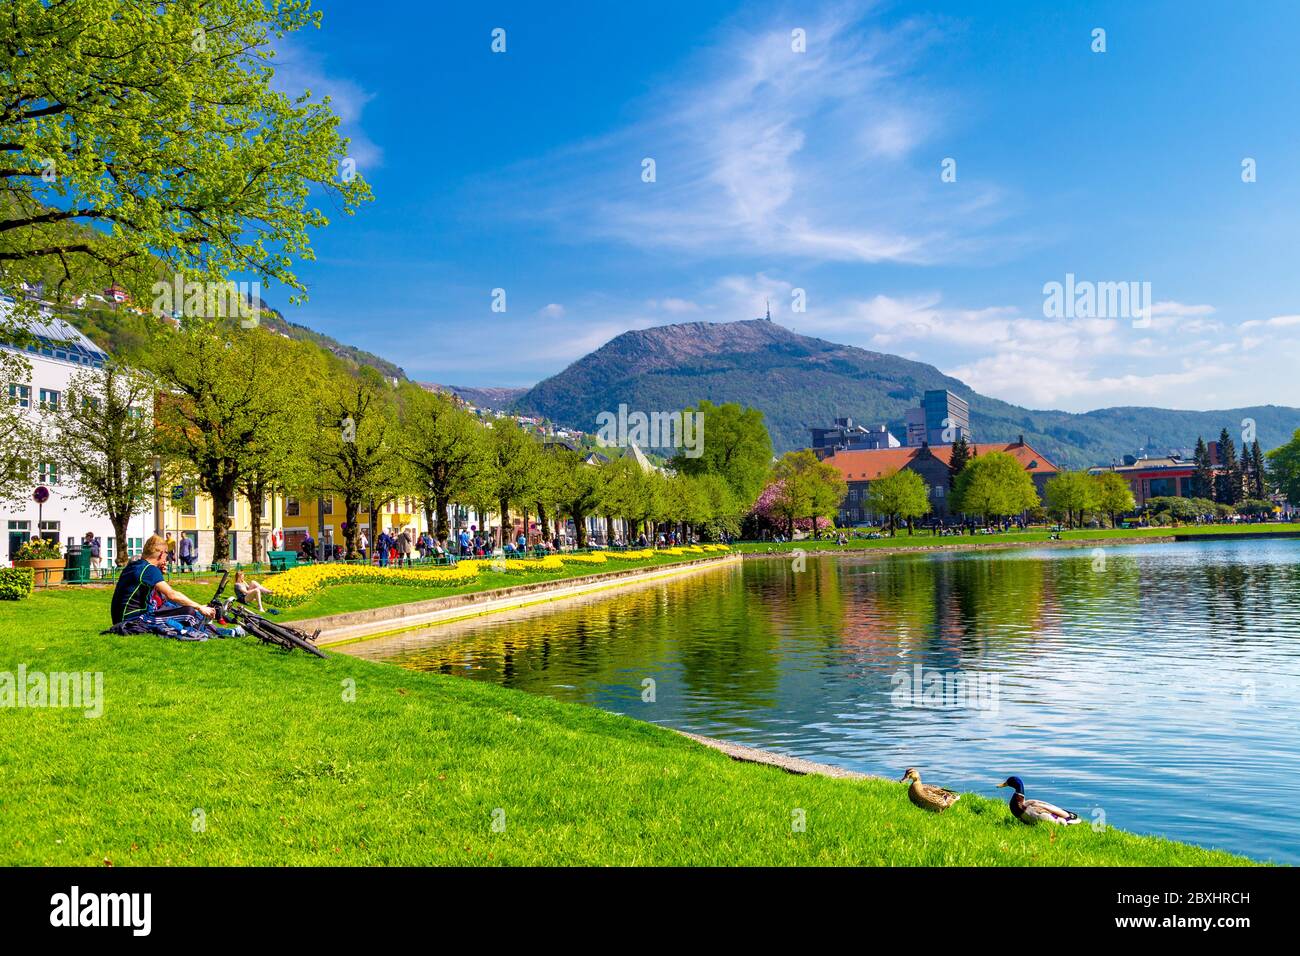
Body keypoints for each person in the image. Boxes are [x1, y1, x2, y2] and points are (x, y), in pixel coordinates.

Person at [108, 534, 216, 630]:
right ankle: (211, 627)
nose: (166, 557)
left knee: (176, 607)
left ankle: (206, 623)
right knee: (189, 613)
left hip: (120, 619)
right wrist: (199, 607)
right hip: (133, 620)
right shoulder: (149, 569)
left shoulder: (135, 565)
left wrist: (158, 572)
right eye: (166, 553)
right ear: (161, 554)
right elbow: (172, 594)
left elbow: (157, 596)